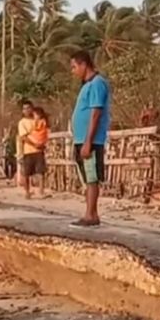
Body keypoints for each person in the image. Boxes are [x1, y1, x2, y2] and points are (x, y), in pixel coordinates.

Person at [69, 50, 111, 228]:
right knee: (87, 178)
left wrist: (88, 141)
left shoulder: (97, 84)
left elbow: (96, 113)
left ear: (83, 64)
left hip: (91, 140)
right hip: (81, 138)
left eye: (74, 67)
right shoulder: (86, 85)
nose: (73, 71)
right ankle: (89, 213)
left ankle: (91, 215)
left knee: (92, 177)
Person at [17, 99, 41, 199]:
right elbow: (23, 137)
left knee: (41, 171)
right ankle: (27, 191)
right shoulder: (22, 123)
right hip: (28, 150)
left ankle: (41, 191)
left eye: (28, 108)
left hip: (39, 149)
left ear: (32, 109)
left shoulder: (37, 121)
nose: (26, 110)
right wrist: (35, 144)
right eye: (24, 109)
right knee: (27, 173)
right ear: (22, 111)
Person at [27, 106, 50, 197]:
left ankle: (41, 190)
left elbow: (40, 130)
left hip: (39, 146)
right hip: (33, 147)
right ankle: (29, 190)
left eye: (36, 115)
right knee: (29, 171)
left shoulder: (42, 122)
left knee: (40, 171)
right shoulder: (33, 122)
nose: (35, 116)